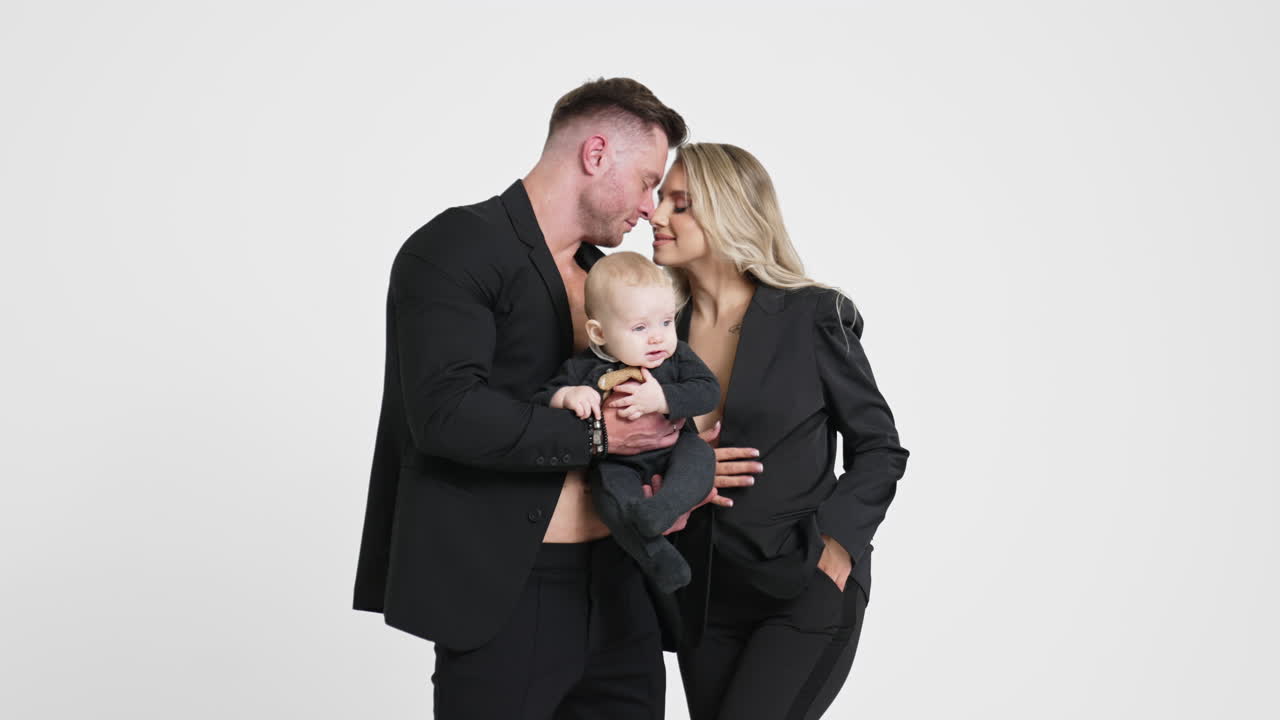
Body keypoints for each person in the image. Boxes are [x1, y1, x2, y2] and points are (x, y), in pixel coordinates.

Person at [352, 78, 688, 720]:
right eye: (647, 180)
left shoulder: (606, 278)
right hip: (511, 597)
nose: (651, 207)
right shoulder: (455, 247)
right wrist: (599, 438)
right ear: (596, 154)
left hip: (622, 591)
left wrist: (681, 474)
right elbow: (445, 415)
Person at [641, 143, 910, 720]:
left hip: (801, 587)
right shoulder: (659, 336)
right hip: (703, 597)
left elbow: (879, 448)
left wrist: (836, 547)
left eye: (680, 204)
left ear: (728, 213)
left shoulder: (813, 315)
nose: (655, 215)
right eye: (661, 199)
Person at [532, 251, 719, 593]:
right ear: (599, 333)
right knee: (609, 497)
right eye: (640, 327)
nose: (657, 337)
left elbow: (708, 392)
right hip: (619, 463)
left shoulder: (677, 357)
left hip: (675, 450)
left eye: (666, 322)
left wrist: (663, 399)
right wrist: (568, 396)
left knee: (701, 458)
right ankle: (656, 554)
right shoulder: (582, 369)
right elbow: (542, 401)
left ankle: (667, 506)